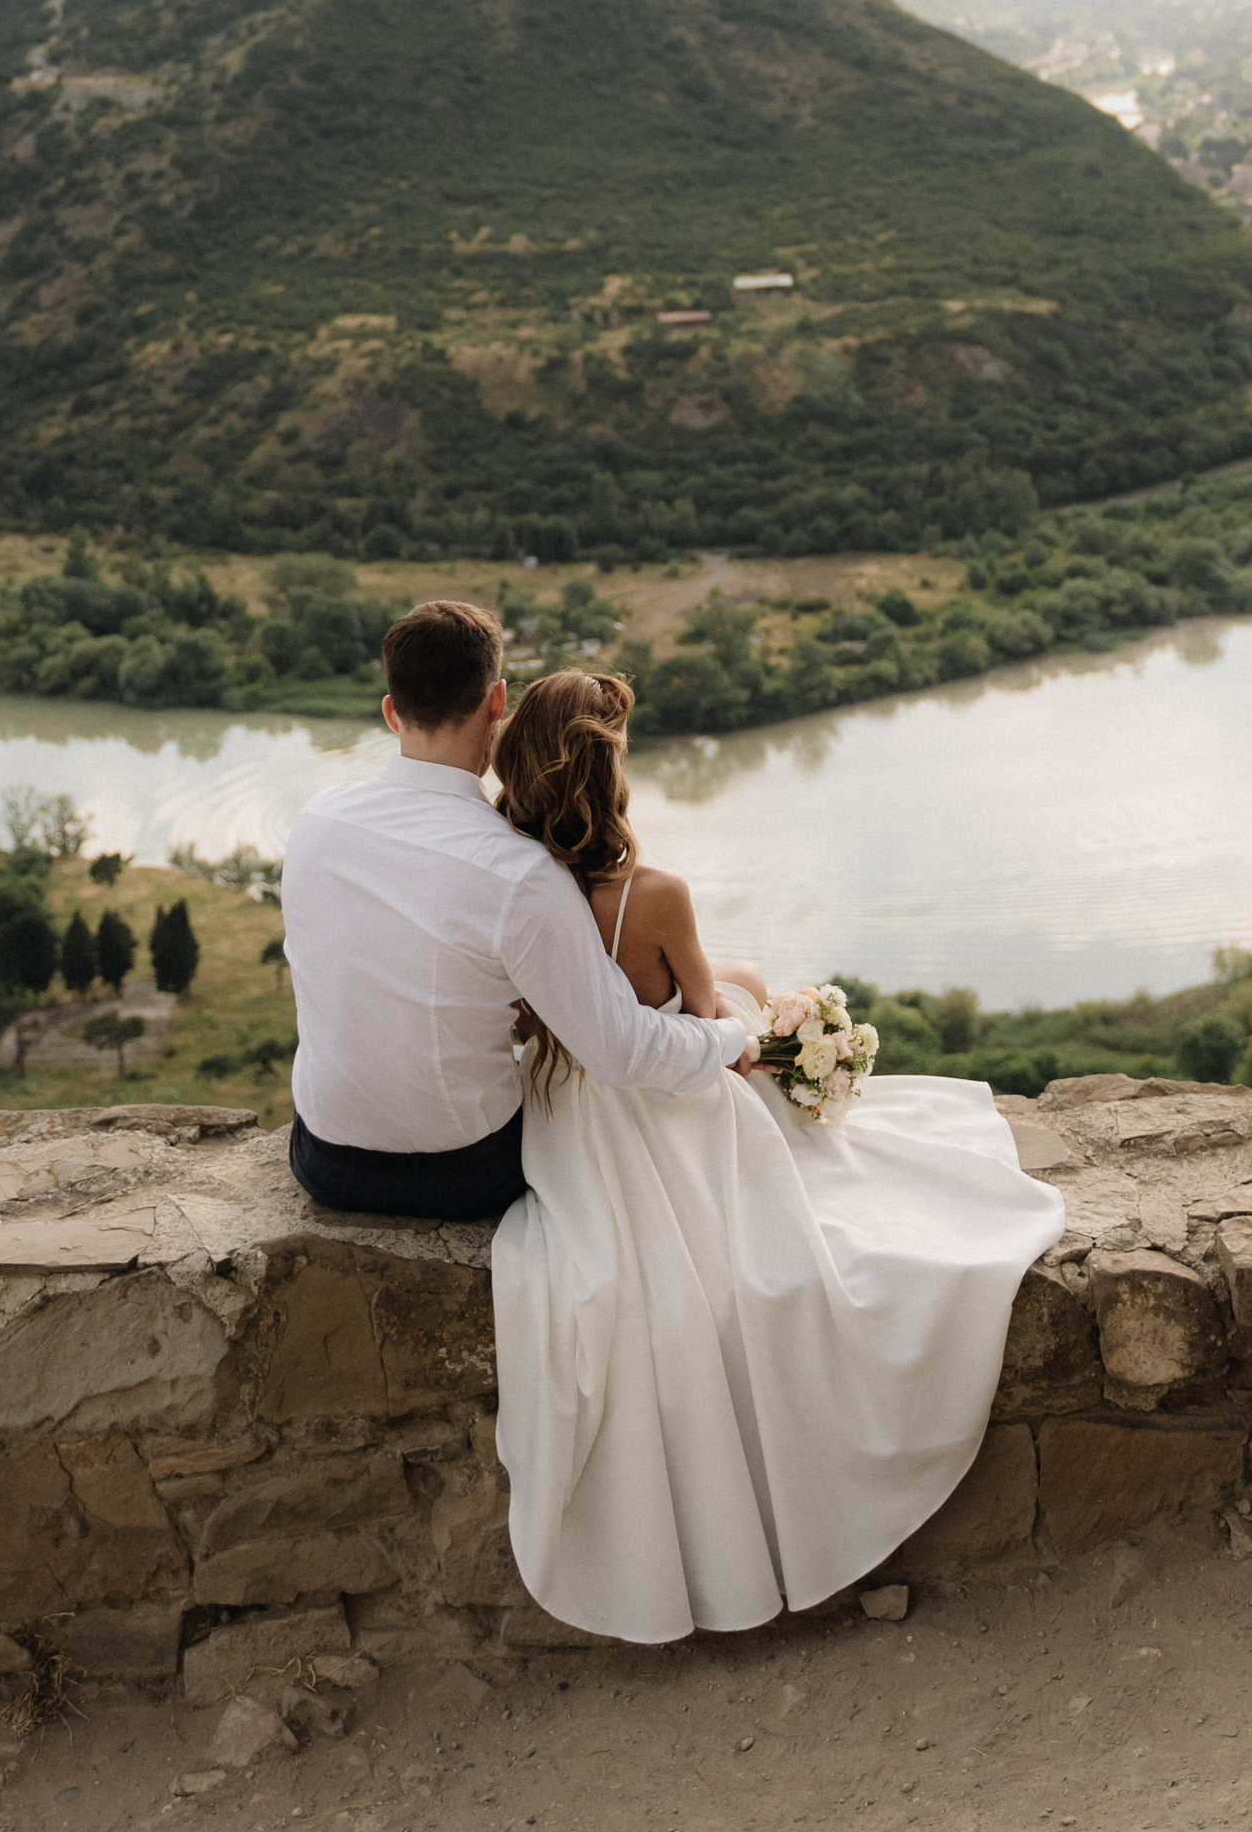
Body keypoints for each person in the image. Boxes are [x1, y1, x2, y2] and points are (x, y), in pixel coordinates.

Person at [487, 664, 1064, 1645]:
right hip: (670, 1115)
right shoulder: (653, 894)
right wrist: (762, 1021)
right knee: (763, 1035)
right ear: (606, 774)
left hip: (572, 1122)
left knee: (750, 988)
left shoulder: (506, 881)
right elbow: (710, 1021)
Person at [279, 599, 747, 1222]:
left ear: (392, 712)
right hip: (460, 1176)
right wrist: (732, 1034)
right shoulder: (520, 872)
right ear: (497, 703)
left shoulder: (316, 822)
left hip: (323, 1162)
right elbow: (620, 1051)